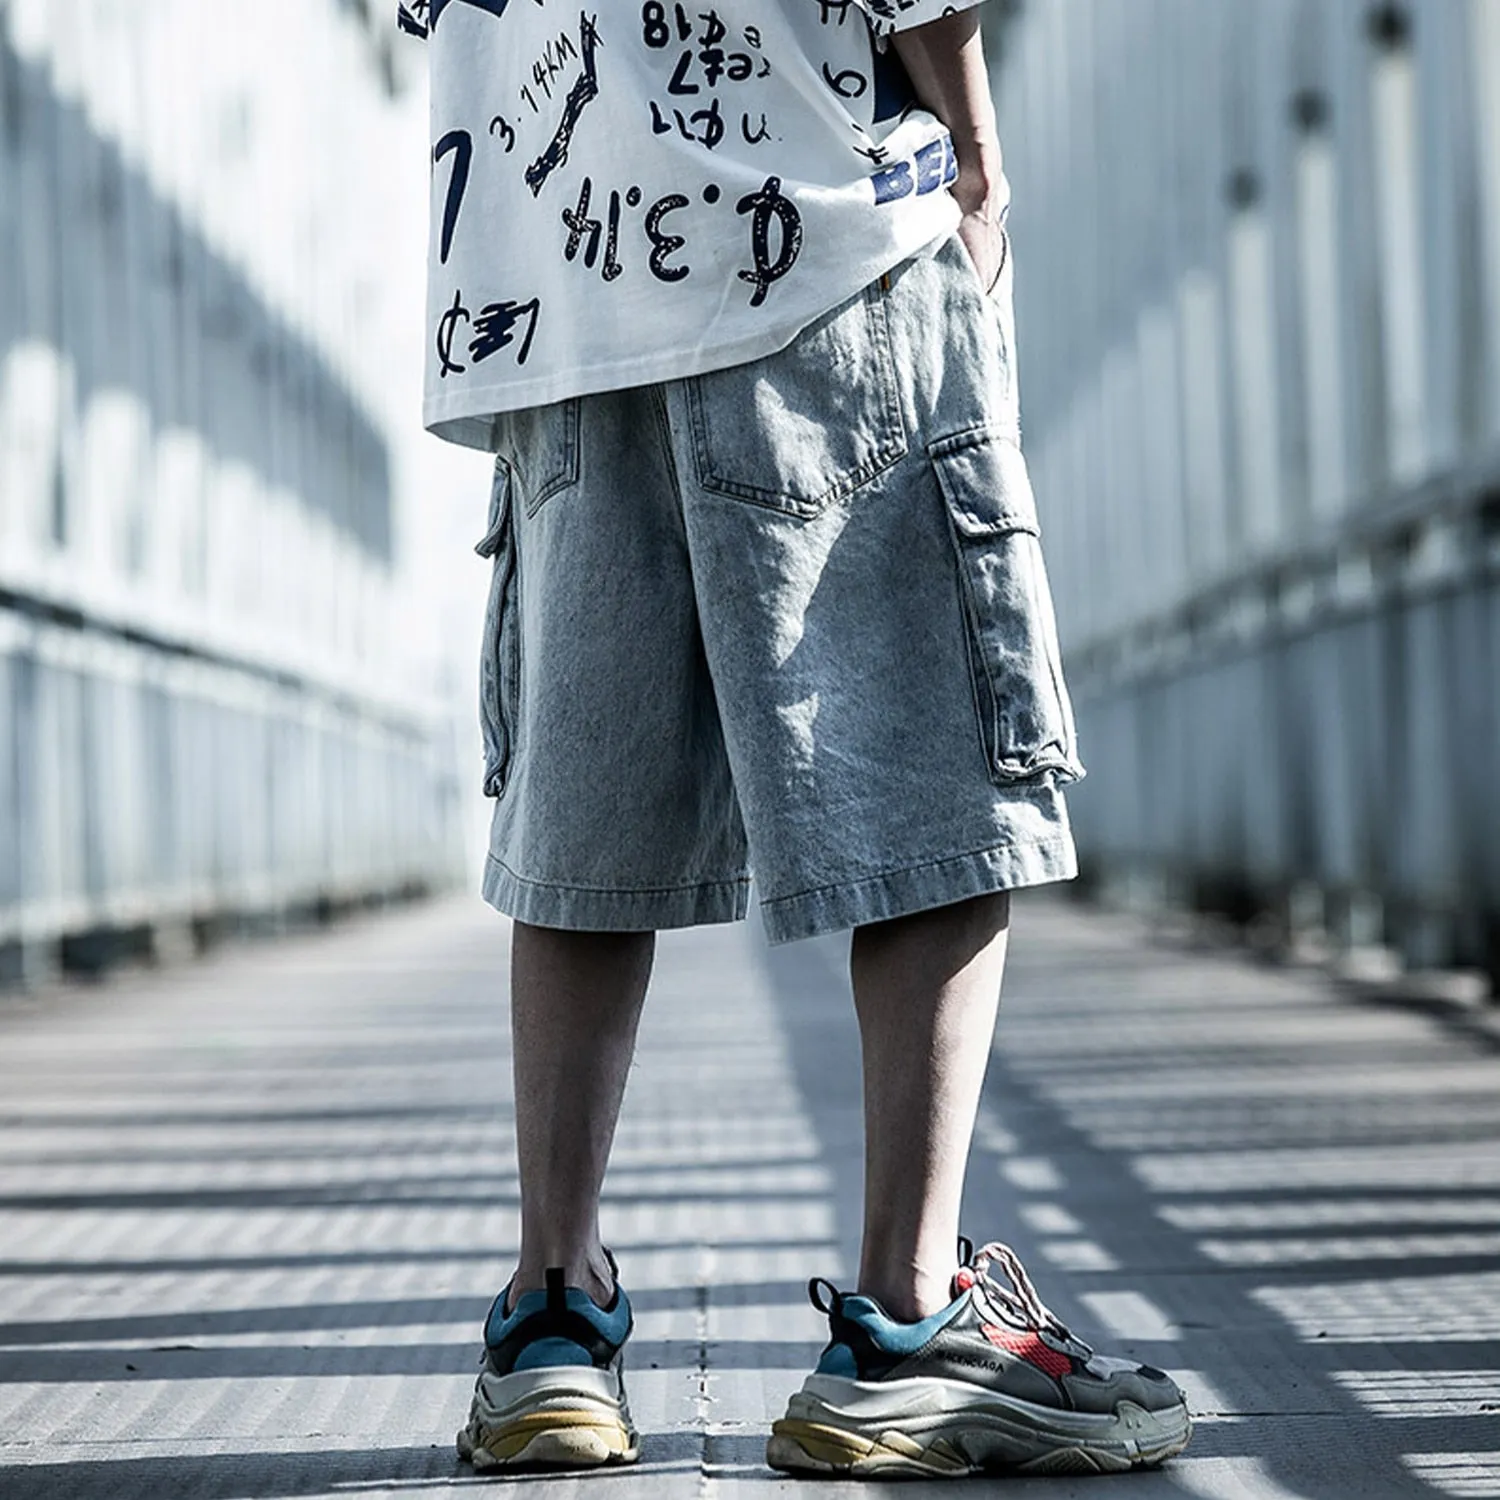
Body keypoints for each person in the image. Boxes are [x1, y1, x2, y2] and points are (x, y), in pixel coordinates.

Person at [401, 0, 1192, 1478]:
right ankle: (906, 1323)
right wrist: (971, 146)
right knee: (934, 770)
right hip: (823, 239)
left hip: (562, 289)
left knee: (586, 827)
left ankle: (554, 1324)